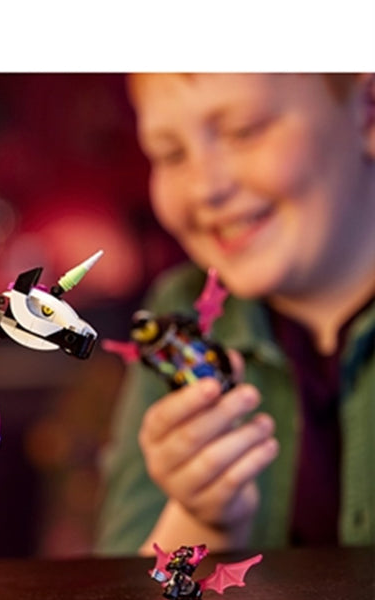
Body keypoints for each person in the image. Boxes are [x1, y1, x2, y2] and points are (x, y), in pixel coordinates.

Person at [97, 73, 375, 555]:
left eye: (245, 131)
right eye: (171, 154)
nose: (206, 187)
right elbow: (121, 586)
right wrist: (202, 517)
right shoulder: (179, 318)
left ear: (367, 110)